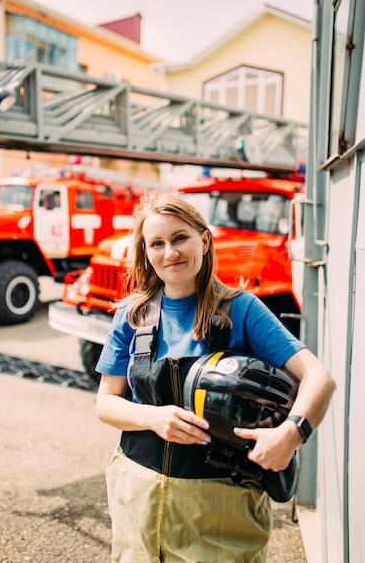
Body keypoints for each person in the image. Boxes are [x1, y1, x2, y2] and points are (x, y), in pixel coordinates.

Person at [95, 191, 336, 563]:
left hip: (220, 513)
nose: (169, 252)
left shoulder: (242, 310)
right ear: (145, 252)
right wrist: (153, 417)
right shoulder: (132, 315)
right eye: (156, 243)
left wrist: (292, 433)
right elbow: (106, 403)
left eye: (180, 238)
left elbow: (319, 378)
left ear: (204, 240)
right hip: (138, 500)